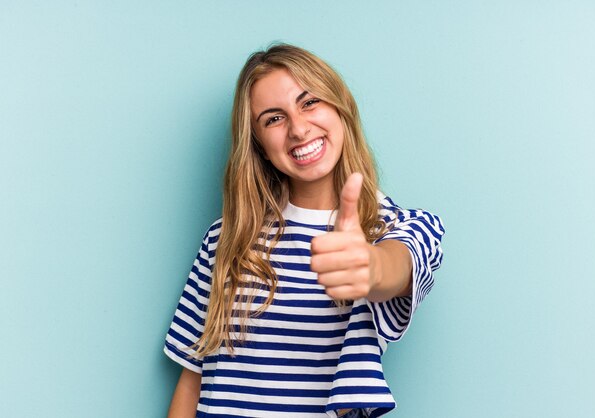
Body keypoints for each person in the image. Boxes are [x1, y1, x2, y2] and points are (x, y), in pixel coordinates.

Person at [164, 43, 445, 418]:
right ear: (260, 145)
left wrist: (369, 266)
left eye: (309, 102)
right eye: (273, 119)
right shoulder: (225, 239)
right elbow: (192, 379)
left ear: (340, 107)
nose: (298, 128)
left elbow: (394, 266)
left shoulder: (398, 227)